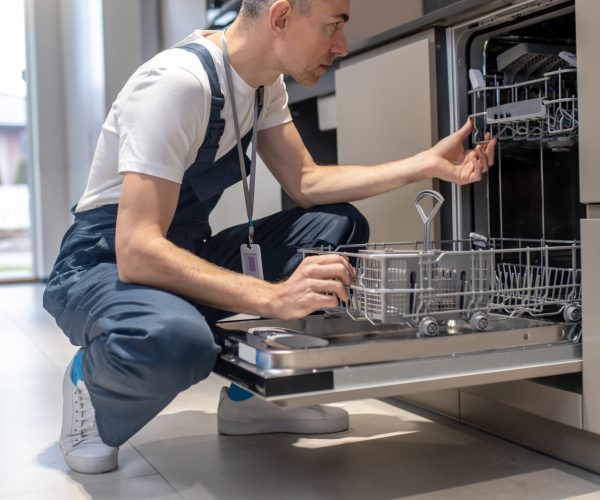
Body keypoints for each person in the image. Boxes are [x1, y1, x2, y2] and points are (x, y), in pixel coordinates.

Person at [43, 0, 496, 475]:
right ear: (281, 17)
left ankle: (251, 400)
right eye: (332, 27)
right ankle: (89, 384)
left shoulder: (262, 86)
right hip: (103, 266)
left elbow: (307, 183)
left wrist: (425, 164)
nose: (340, 46)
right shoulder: (178, 85)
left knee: (335, 227)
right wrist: (273, 296)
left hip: (179, 255)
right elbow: (136, 251)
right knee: (178, 341)